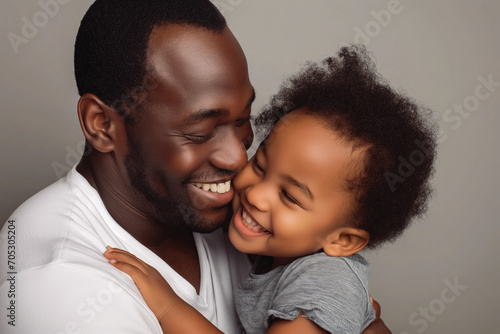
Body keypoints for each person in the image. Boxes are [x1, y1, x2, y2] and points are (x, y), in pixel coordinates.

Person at [0, 0, 389, 333]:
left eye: (242, 119)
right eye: (201, 131)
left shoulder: (248, 223)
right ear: (103, 125)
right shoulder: (60, 291)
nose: (238, 159)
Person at [104, 45, 437, 333]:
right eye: (260, 166)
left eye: (290, 197)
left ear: (342, 240)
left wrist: (166, 308)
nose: (256, 194)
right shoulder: (278, 252)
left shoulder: (323, 282)